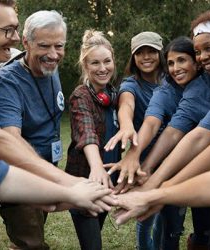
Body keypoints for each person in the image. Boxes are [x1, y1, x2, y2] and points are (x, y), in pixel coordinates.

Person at [0, 8, 114, 250]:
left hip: (46, 170)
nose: (54, 55)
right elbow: (10, 140)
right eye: (45, 46)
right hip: (22, 178)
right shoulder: (8, 83)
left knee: (33, 234)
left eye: (59, 46)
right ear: (27, 42)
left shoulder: (50, 68)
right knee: (32, 244)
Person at [114, 8, 210, 250]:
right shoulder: (171, 89)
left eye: (209, 48)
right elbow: (177, 130)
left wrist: (159, 189)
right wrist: (144, 169)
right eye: (199, 51)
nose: (203, 57)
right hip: (209, 176)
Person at [105, 31, 165, 250]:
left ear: (161, 54)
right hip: (143, 158)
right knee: (145, 215)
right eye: (140, 53)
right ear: (133, 57)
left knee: (171, 219)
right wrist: (127, 126)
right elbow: (126, 106)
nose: (146, 57)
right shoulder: (131, 85)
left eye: (151, 51)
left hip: (173, 156)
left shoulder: (172, 81)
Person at [65, 29, 121, 250]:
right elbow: (86, 131)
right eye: (95, 63)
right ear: (85, 66)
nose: (103, 68)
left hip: (108, 182)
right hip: (86, 182)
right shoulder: (81, 95)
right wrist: (97, 167)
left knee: (95, 234)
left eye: (107, 61)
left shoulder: (115, 95)